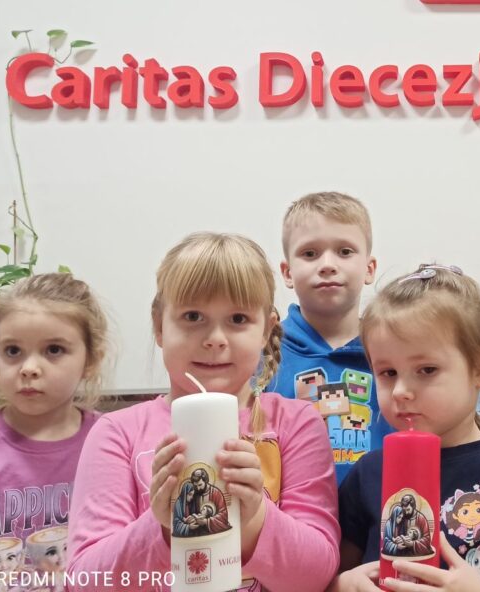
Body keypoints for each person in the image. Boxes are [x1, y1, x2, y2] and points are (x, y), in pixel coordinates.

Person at [67, 232, 340, 592]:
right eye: (193, 316)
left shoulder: (297, 423)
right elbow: (86, 580)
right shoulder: (116, 433)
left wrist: (255, 515)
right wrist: (163, 526)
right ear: (159, 326)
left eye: (238, 318)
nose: (215, 338)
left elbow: (316, 576)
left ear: (266, 330)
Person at [333, 264, 480, 592]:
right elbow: (332, 575)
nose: (401, 390)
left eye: (426, 370)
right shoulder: (368, 474)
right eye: (388, 373)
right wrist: (343, 584)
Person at [0, 273, 109, 587]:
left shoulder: (113, 441)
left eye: (53, 350)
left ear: (91, 359)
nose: (29, 368)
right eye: (12, 351)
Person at [267, 191, 391, 485]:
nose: (327, 264)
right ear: (287, 272)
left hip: (382, 509)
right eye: (310, 254)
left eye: (345, 252)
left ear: (369, 269)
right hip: (291, 509)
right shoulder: (264, 351)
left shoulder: (394, 353)